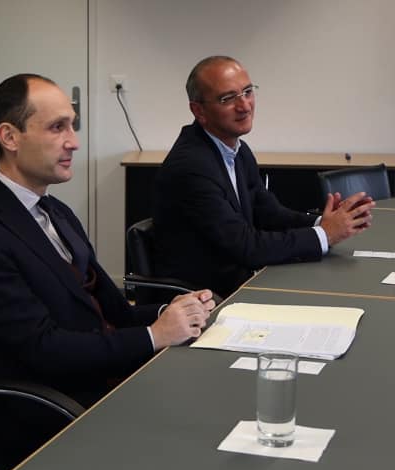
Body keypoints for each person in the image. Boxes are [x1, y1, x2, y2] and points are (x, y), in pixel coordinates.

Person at [0, 74, 215, 470]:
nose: (74, 141)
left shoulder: (57, 213)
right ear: (10, 137)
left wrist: (173, 310)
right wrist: (154, 336)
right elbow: (44, 350)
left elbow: (114, 313)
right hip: (56, 423)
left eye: (72, 126)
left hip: (107, 385)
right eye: (57, 128)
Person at [152, 56, 375, 298]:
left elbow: (269, 214)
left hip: (240, 283)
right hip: (205, 298)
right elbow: (246, 247)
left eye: (247, 92)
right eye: (228, 98)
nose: (244, 106)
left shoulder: (238, 151)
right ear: (199, 111)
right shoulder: (191, 166)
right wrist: (325, 234)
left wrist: (324, 222)